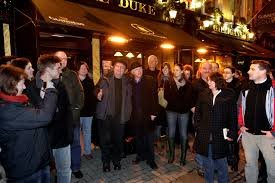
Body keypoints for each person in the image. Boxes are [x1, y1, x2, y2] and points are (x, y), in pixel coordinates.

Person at [0, 65, 58, 182]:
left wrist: (43, 99)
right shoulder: (7, 111)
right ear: (12, 84)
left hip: (38, 163)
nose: (25, 86)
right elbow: (45, 117)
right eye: (22, 83)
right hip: (26, 172)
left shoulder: (18, 102)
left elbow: (36, 116)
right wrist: (50, 90)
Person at [27, 55, 73, 183]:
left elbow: (66, 112)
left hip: (62, 137)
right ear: (48, 70)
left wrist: (70, 133)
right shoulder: (31, 88)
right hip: (42, 140)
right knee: (45, 174)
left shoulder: (61, 86)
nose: (61, 70)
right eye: (58, 68)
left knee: (64, 170)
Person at [194, 72, 237, 183]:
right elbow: (197, 113)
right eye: (208, 80)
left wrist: (232, 132)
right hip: (205, 134)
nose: (208, 82)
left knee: (221, 163)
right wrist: (198, 127)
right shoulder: (203, 94)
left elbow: (233, 115)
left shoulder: (228, 95)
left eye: (210, 80)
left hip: (220, 134)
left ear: (217, 81)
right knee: (207, 163)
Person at [239, 60, 275, 183]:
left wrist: (274, 132)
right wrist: (241, 125)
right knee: (250, 165)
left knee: (273, 169)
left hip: (268, 136)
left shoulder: (273, 88)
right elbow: (239, 107)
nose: (249, 71)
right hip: (248, 135)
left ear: (263, 71)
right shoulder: (246, 87)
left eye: (253, 69)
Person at [95, 59, 132, 172]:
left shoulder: (127, 82)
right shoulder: (105, 79)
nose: (119, 69)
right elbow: (96, 89)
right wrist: (98, 94)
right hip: (106, 116)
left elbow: (131, 98)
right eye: (117, 66)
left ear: (125, 70)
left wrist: (128, 112)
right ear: (113, 67)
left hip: (120, 116)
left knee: (118, 140)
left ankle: (116, 161)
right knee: (105, 140)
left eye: (122, 67)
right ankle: (106, 162)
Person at [54, 51, 84, 179]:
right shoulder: (50, 74)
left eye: (65, 58)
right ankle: (59, 170)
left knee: (75, 143)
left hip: (72, 117)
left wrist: (76, 111)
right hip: (56, 119)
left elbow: (80, 93)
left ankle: (76, 167)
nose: (63, 61)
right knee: (58, 146)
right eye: (60, 58)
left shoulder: (72, 74)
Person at [164, 63, 195, 165]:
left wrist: (179, 101)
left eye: (177, 70)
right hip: (171, 111)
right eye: (174, 70)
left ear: (182, 71)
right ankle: (172, 156)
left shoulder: (188, 84)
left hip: (184, 112)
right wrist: (178, 100)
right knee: (171, 133)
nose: (175, 71)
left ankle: (183, 157)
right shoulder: (168, 81)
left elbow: (189, 99)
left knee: (183, 134)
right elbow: (166, 96)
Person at [130, 61, 159, 170]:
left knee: (149, 139)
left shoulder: (150, 80)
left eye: (140, 69)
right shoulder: (130, 82)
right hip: (135, 116)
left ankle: (151, 160)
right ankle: (140, 156)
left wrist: (154, 113)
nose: (139, 71)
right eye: (137, 70)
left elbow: (155, 98)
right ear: (132, 72)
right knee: (138, 138)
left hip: (148, 115)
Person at [192, 61, 212, 176]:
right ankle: (200, 166)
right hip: (199, 117)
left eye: (209, 68)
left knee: (209, 142)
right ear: (200, 70)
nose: (207, 70)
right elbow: (190, 99)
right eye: (204, 68)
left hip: (211, 117)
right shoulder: (195, 83)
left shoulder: (214, 82)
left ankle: (209, 164)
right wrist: (193, 109)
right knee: (200, 141)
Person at [77, 61, 97, 160]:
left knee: (87, 132)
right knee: (76, 133)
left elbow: (93, 97)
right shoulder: (75, 81)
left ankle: (87, 151)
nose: (84, 70)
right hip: (77, 112)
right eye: (82, 68)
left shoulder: (90, 81)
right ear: (78, 69)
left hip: (88, 112)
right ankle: (77, 152)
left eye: (85, 68)